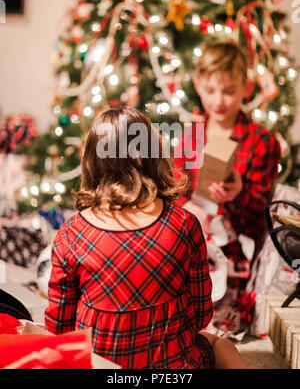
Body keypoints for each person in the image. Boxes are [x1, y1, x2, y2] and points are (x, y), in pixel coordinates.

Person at [44, 106, 247, 369]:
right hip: (174, 367)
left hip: (98, 366)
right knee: (220, 343)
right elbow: (201, 315)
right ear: (153, 157)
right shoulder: (184, 224)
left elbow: (58, 327)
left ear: (91, 161)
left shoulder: (70, 234)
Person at [173, 42, 281, 338]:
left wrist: (238, 193)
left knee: (223, 329)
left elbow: (261, 207)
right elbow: (172, 189)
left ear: (246, 88)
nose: (218, 100)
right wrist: (187, 207)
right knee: (173, 318)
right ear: (198, 86)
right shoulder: (189, 137)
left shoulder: (262, 141)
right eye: (210, 91)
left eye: (229, 91)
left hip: (238, 254)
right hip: (193, 247)